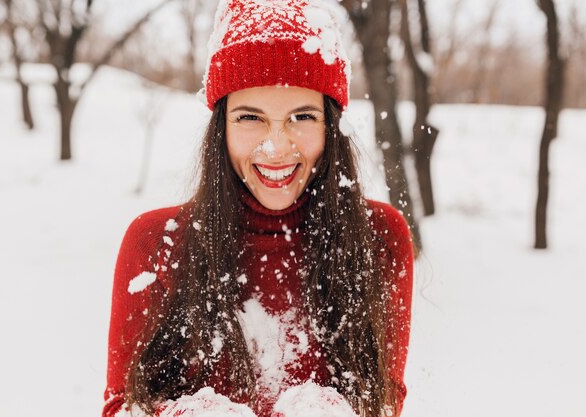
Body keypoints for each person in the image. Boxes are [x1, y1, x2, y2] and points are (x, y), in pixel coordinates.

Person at [102, 1, 414, 416]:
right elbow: (122, 407)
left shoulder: (378, 238)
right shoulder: (157, 242)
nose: (277, 147)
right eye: (251, 118)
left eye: (301, 116)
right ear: (222, 127)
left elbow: (383, 400)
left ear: (331, 124)